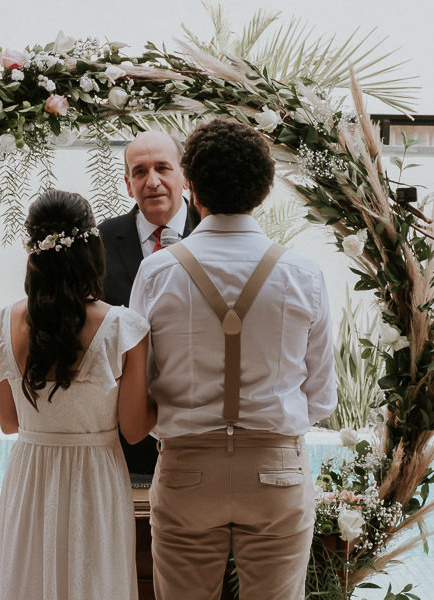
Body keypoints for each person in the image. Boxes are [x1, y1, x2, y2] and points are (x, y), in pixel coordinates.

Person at [130, 119, 337, 600]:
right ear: (263, 192)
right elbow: (322, 397)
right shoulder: (303, 273)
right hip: (277, 470)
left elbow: (137, 383)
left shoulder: (157, 272)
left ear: (192, 188)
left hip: (186, 470)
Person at [0, 190, 154, 600]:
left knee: (27, 581)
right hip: (95, 478)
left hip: (30, 476)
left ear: (33, 251)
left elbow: (8, 423)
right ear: (92, 248)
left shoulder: (3, 323)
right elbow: (133, 430)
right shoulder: (123, 328)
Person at [99, 130, 193, 478]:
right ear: (127, 184)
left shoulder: (216, 232)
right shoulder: (103, 241)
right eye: (140, 172)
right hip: (125, 435)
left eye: (163, 168)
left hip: (200, 427)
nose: (152, 181)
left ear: (184, 176)